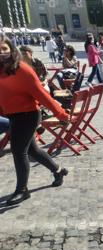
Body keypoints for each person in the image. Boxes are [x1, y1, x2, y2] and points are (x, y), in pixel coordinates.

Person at [0, 35, 70, 206]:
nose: (1, 53)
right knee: (32, 150)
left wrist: (61, 114)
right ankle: (58, 171)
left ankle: (22, 190)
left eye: (4, 48)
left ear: (11, 49)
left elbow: (42, 95)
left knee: (18, 151)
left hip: (28, 115)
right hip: (12, 115)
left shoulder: (22, 69)